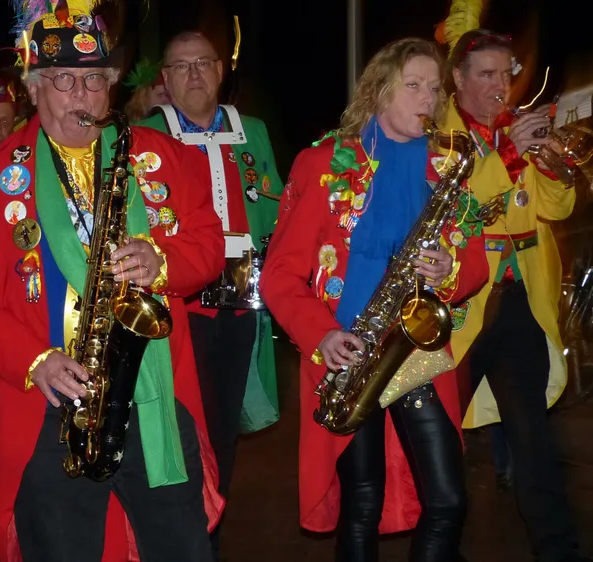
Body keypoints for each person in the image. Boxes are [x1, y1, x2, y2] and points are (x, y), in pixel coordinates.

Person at [0, 1, 226, 560]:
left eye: (94, 80)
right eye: (64, 80)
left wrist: (162, 261)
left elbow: (210, 243)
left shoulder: (159, 155)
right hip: (46, 410)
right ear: (34, 88)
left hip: (154, 400)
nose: (82, 96)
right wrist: (34, 360)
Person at [260, 38, 490, 561]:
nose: (428, 98)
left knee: (449, 501)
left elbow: (477, 261)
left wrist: (450, 269)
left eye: (434, 88)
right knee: (361, 504)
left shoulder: (449, 168)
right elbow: (279, 275)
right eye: (413, 85)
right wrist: (322, 334)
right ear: (380, 90)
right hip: (349, 352)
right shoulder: (322, 164)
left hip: (413, 350)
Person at [441, 28, 590, 562]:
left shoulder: (514, 131)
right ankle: (439, 547)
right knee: (441, 439)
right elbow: (456, 206)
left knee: (533, 439)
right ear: (457, 79)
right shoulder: (436, 137)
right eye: (486, 74)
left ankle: (558, 549)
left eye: (506, 74)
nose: (500, 86)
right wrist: (506, 154)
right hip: (458, 306)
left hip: (519, 301)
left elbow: (555, 207)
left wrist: (551, 163)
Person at [137, 31, 283, 551]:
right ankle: (177, 535)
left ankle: (208, 535)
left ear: (221, 70)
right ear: (165, 79)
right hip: (178, 305)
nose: (194, 74)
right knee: (180, 424)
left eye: (203, 63)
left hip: (240, 304)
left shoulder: (253, 131)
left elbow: (276, 209)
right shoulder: (147, 136)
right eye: (181, 66)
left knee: (223, 426)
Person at [123, 58, 170, 122]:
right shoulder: (126, 125)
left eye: (169, 96)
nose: (167, 101)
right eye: (160, 94)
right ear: (144, 96)